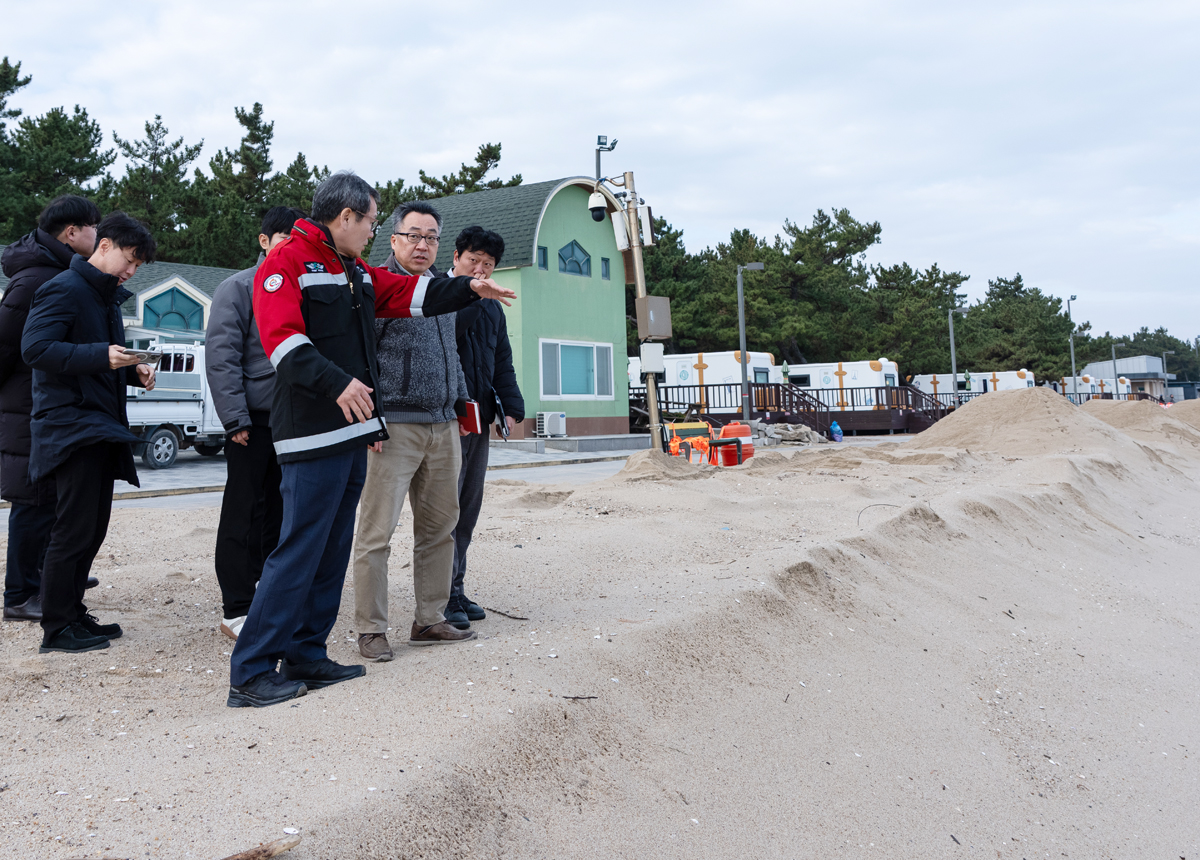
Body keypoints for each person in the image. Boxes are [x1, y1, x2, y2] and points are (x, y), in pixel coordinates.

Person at [227, 172, 515, 708]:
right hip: (310, 432)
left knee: (332, 550)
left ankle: (307, 654)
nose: (372, 232)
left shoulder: (352, 268)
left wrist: (468, 286)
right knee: (298, 551)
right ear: (346, 217)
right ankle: (249, 671)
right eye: (371, 221)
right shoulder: (285, 263)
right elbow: (282, 341)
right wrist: (337, 382)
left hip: (356, 429)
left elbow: (407, 293)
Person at [20, 212, 158, 653]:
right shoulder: (63, 287)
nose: (132, 271)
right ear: (105, 246)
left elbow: (101, 360)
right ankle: (57, 628)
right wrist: (104, 355)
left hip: (99, 424)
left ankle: (74, 612)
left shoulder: (104, 297)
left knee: (92, 528)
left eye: (138, 266)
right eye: (130, 260)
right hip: (70, 426)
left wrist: (133, 371)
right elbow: (35, 349)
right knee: (73, 529)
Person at [352, 201, 477, 662]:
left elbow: (453, 354)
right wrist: (370, 419)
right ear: (394, 239)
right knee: (376, 532)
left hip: (443, 426)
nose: (422, 245)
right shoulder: (375, 289)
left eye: (431, 237)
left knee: (440, 529)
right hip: (393, 428)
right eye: (414, 235)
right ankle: (370, 628)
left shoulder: (442, 291)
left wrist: (461, 406)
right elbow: (361, 359)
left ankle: (429, 617)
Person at [205, 206, 305, 640]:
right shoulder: (238, 287)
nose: (290, 247)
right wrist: (234, 418)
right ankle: (237, 607)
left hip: (294, 419)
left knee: (282, 512)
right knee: (243, 512)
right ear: (264, 240)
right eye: (283, 238)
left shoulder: (302, 287)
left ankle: (269, 593)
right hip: (252, 421)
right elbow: (222, 356)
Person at [1, 196, 103, 621]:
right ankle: (21, 594)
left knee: (51, 497)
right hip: (27, 405)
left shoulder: (59, 272)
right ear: (72, 233)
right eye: (94, 229)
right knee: (34, 498)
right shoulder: (36, 281)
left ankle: (46, 575)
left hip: (45, 402)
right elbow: (5, 348)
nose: (99, 237)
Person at [445, 226, 524, 629]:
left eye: (488, 264)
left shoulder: (494, 307)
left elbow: (501, 361)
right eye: (473, 260)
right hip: (445, 420)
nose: (480, 269)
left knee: (468, 509)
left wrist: (512, 406)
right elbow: (449, 335)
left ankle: (455, 588)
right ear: (456, 257)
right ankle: (441, 596)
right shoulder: (439, 294)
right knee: (444, 510)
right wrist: (473, 296)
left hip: (479, 418)